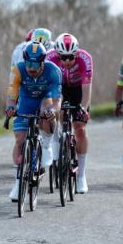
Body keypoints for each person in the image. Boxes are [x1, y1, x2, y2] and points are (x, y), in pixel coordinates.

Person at [6, 41, 62, 201]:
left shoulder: (53, 71)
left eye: (35, 64)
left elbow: (57, 101)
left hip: (46, 99)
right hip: (26, 101)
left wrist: (53, 111)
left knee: (46, 111)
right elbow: (11, 94)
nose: (31, 68)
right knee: (20, 140)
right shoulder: (18, 69)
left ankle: (46, 146)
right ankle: (18, 183)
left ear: (43, 62)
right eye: (28, 63)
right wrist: (10, 107)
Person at [47, 33, 93, 194]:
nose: (66, 61)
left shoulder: (85, 58)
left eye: (70, 57)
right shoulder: (49, 57)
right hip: (59, 88)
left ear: (76, 53)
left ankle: (81, 175)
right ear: (57, 54)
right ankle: (57, 140)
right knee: (57, 114)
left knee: (80, 128)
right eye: (63, 57)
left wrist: (83, 108)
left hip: (78, 90)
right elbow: (49, 87)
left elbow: (87, 88)